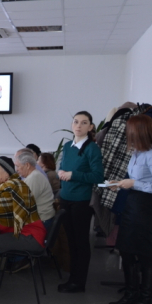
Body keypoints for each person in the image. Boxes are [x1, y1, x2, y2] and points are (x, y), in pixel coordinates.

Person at [108, 115, 152, 304]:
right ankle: (131, 295)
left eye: (129, 131)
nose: (126, 135)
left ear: (139, 132)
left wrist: (134, 183)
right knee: (126, 251)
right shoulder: (136, 153)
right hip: (131, 206)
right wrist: (120, 184)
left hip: (143, 210)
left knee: (144, 256)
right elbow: (134, 180)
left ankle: (145, 302)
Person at [0, 156, 46, 295]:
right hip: (24, 234)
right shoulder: (8, 185)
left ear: (6, 172)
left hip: (29, 237)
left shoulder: (12, 186)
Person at [57, 111, 105, 293]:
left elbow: (98, 176)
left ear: (90, 127)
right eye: (76, 122)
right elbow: (63, 167)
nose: (79, 125)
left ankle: (79, 282)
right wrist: (62, 172)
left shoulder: (92, 148)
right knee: (70, 241)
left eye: (84, 123)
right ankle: (73, 278)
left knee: (81, 242)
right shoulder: (68, 146)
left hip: (81, 202)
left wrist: (73, 175)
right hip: (65, 198)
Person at [14, 149, 56, 227]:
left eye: (17, 166)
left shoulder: (34, 178)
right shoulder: (33, 175)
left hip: (41, 221)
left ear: (27, 165)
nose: (16, 169)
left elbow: (23, 204)